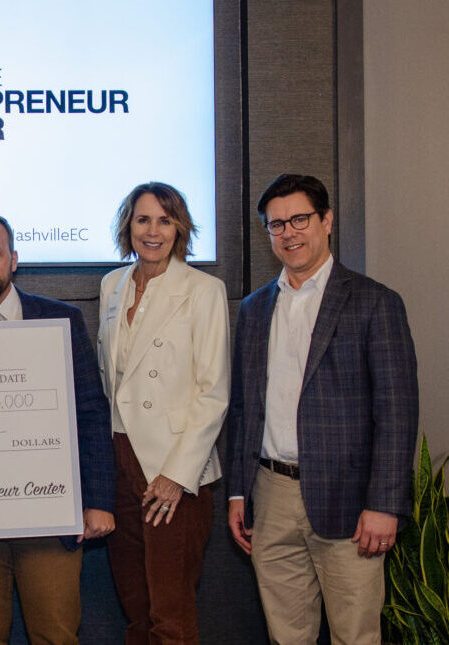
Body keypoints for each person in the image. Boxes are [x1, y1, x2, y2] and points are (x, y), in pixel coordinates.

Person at [226, 174, 418, 645]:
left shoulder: (375, 303)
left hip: (351, 504)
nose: (289, 233)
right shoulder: (254, 309)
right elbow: (245, 408)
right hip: (270, 496)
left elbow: (396, 412)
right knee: (287, 635)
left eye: (299, 219)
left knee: (356, 635)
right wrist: (237, 493)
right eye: (276, 225)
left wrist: (384, 505)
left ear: (327, 221)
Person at [0, 210, 115, 645]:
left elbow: (90, 411)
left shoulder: (62, 320)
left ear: (14, 258)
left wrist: (99, 501)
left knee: (56, 637)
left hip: (49, 521)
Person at [97, 182, 229, 644]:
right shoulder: (111, 285)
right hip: (120, 464)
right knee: (136, 607)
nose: (152, 231)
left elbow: (214, 393)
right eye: (142, 219)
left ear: (179, 228)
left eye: (164, 220)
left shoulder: (203, 290)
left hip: (174, 473)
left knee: (171, 614)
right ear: (127, 226)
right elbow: (110, 381)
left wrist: (176, 475)